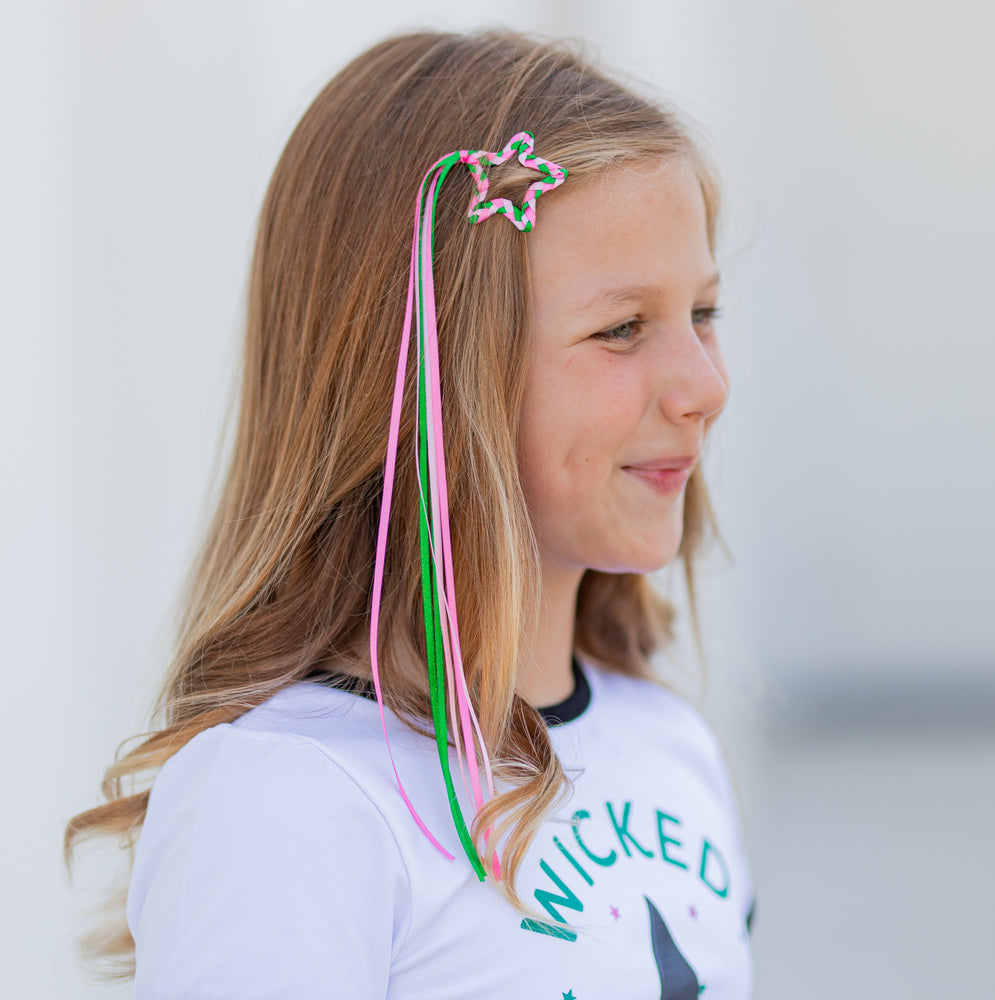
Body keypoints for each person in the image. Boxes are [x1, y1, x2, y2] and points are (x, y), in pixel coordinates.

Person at [66, 29, 754, 998]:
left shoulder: (668, 739)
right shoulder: (287, 797)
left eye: (704, 315)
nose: (703, 384)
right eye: (621, 328)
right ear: (426, 375)